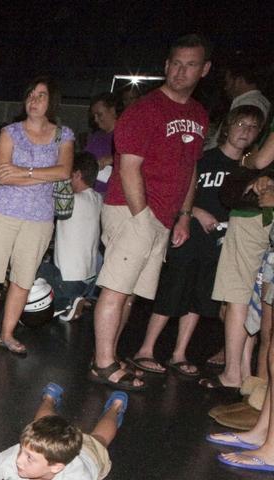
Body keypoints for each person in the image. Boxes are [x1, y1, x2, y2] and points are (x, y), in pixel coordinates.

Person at [89, 34, 211, 393]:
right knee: (115, 288)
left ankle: (106, 354)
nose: (180, 71)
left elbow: (191, 170)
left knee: (129, 293)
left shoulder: (198, 115)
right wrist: (142, 216)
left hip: (162, 216)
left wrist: (184, 215)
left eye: (190, 65)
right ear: (166, 65)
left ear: (204, 70)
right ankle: (103, 363)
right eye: (175, 63)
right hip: (131, 211)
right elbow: (128, 168)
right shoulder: (145, 110)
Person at [131, 106, 260, 377]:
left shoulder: (249, 170)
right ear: (228, 126)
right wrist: (194, 213)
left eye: (252, 127)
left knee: (198, 301)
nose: (244, 131)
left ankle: (179, 353)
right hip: (188, 236)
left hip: (221, 246)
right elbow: (177, 191)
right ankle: (146, 349)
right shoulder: (204, 159)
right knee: (171, 292)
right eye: (240, 124)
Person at [0, 77, 75, 357]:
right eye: (31, 95)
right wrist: (41, 173)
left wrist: (24, 172)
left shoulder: (64, 135)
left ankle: (7, 333)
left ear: (52, 102)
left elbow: (64, 171)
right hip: (3, 214)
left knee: (23, 280)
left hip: (39, 219)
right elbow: (3, 174)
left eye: (41, 95)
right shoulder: (10, 132)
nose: (34, 100)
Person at [208, 111, 274, 391]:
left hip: (253, 217)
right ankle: (249, 376)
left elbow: (260, 160)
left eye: (253, 127)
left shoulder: (256, 156)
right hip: (263, 217)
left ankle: (234, 373)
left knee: (237, 294)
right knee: (260, 296)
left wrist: (250, 163)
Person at [39, 152, 103, 321]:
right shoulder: (98, 199)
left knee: (28, 271)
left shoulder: (71, 201)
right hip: (88, 281)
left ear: (77, 174)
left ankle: (64, 303)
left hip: (68, 280)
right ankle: (72, 300)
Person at [85, 92, 120, 195]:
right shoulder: (95, 136)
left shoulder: (126, 134)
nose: (96, 119)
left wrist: (113, 158)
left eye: (99, 114)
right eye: (94, 116)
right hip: (91, 193)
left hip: (113, 195)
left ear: (112, 111)